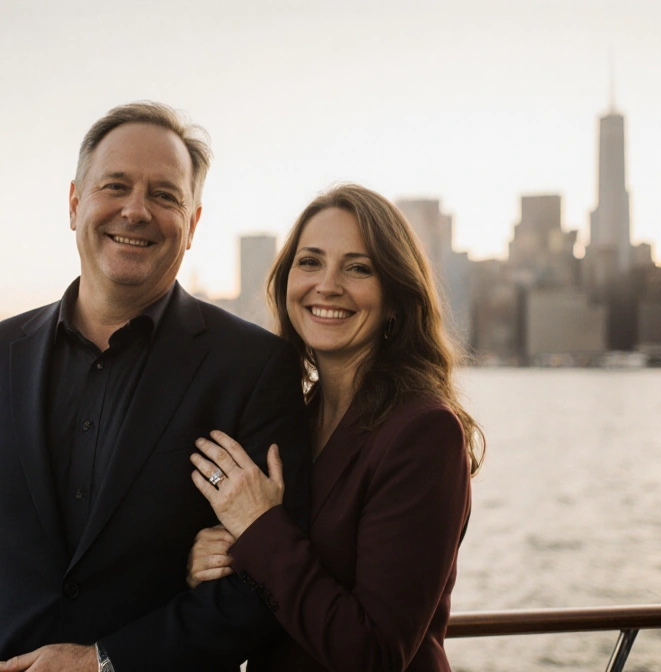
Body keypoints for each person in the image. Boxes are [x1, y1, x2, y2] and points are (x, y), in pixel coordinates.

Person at [0, 102, 311, 672]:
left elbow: (263, 589)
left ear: (193, 224)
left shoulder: (255, 367)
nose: (136, 210)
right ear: (75, 205)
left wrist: (105, 663)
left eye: (165, 195)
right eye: (114, 186)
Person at [186, 184, 483, 671]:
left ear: (395, 298)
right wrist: (215, 562)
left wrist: (256, 527)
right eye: (310, 262)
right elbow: (276, 574)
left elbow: (376, 655)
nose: (327, 284)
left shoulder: (424, 432)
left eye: (358, 268)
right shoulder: (289, 422)